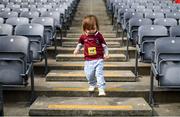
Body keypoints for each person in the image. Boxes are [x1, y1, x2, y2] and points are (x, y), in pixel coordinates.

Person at [73, 15, 109, 96]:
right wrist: (76, 50)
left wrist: (106, 54)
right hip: (88, 60)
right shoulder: (83, 36)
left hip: (99, 59)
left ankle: (101, 88)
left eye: (93, 28)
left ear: (97, 26)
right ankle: (92, 84)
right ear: (84, 28)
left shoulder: (99, 36)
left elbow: (104, 46)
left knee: (99, 74)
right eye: (88, 29)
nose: (91, 31)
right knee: (89, 74)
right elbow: (80, 44)